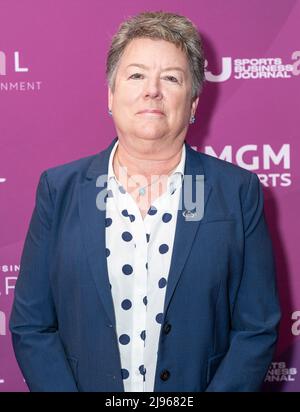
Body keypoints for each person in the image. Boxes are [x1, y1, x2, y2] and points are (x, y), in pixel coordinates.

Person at [9, 11, 281, 392]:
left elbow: (256, 327)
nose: (152, 90)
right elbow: (31, 325)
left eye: (171, 78)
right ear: (111, 94)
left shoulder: (237, 191)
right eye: (136, 75)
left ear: (194, 103)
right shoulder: (60, 189)